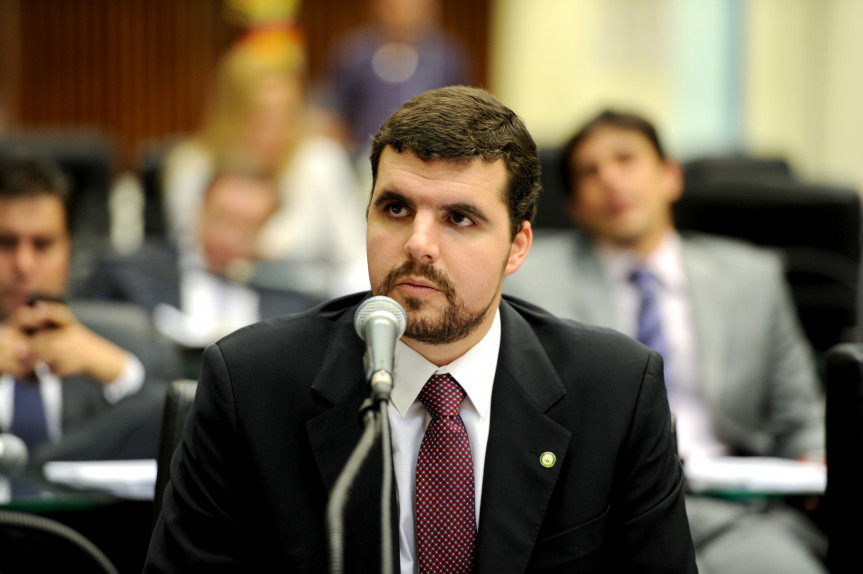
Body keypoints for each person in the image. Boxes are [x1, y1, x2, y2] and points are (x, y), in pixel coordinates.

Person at [144, 86, 696, 572]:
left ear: (517, 247)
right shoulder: (252, 384)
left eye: (459, 218)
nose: (417, 243)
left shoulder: (615, 392)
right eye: (396, 208)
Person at [504, 109, 826, 573]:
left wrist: (815, 457)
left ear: (670, 177)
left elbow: (801, 412)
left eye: (625, 159)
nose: (610, 179)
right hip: (599, 516)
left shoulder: (752, 277)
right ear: (574, 206)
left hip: (734, 513)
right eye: (589, 172)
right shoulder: (528, 279)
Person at [162, 27, 368, 299]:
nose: (275, 131)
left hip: (309, 312)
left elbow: (355, 259)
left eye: (286, 115)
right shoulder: (193, 167)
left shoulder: (321, 162)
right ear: (229, 113)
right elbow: (189, 263)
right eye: (261, 116)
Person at [0, 155, 176, 465]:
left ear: (69, 248)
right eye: (6, 243)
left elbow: (177, 429)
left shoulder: (132, 343)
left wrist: (121, 375)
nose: (24, 264)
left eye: (42, 244)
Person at [88, 169, 321, 349]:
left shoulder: (292, 300)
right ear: (200, 211)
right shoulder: (132, 275)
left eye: (247, 227)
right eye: (224, 219)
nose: (231, 237)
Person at [317, 0, 470, 159]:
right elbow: (331, 115)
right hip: (364, 158)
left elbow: (463, 118)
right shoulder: (352, 53)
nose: (403, 8)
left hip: (431, 158)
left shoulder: (447, 57)